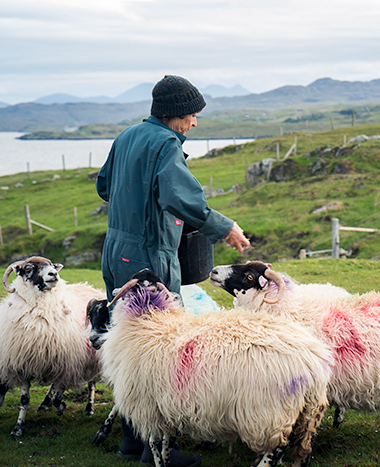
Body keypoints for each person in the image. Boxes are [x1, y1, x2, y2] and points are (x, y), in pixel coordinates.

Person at [96, 75, 250, 467]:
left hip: (116, 250)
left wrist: (136, 202)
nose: (194, 123)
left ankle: (132, 441)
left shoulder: (128, 135)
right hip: (150, 255)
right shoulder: (165, 144)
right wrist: (224, 227)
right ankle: (155, 451)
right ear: (173, 114)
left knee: (130, 345)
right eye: (192, 115)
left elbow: (103, 186)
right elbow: (181, 197)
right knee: (159, 352)